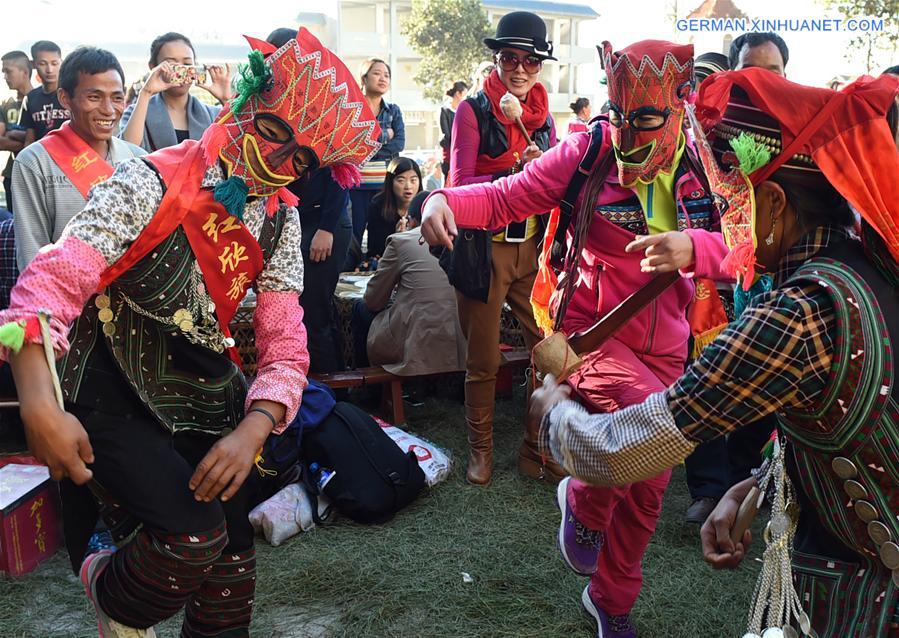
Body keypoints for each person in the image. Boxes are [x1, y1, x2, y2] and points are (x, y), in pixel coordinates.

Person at [0, 29, 379, 637]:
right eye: (278, 131)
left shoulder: (280, 220)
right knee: (190, 541)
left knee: (233, 570)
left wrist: (254, 427)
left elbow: (285, 341)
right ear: (247, 104)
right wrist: (39, 402)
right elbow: (50, 280)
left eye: (304, 159)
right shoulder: (150, 180)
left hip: (202, 391)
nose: (283, 162)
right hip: (109, 383)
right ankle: (106, 583)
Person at [529, 68, 899, 638]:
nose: (730, 228)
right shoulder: (872, 266)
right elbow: (851, 421)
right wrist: (754, 485)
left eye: (736, 207)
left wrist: (554, 414)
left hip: (867, 604)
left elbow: (624, 451)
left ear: (773, 203)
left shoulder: (796, 314)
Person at [422, 39, 730, 633]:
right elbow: (508, 195)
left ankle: (610, 599)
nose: (627, 134)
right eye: (618, 116)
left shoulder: (709, 165)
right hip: (589, 337)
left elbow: (750, 245)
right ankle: (587, 502)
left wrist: (698, 247)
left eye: (644, 119)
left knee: (653, 473)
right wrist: (442, 196)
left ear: (679, 105)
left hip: (667, 345)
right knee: (652, 428)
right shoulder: (588, 151)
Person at [443, 11, 559, 486]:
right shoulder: (472, 111)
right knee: (484, 359)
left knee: (550, 352)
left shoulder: (546, 117)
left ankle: (535, 448)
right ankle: (481, 450)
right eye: (509, 57)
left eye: (530, 60)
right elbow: (457, 184)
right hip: (483, 250)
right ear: (496, 59)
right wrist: (514, 174)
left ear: (539, 66)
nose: (519, 68)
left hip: (531, 250)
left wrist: (546, 167)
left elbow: (557, 189)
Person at [266, 27, 354, 375]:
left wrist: (327, 230)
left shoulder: (323, 98)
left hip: (324, 221)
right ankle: (295, 388)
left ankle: (331, 394)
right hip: (289, 218)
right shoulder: (271, 99)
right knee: (289, 309)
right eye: (274, 56)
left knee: (314, 311)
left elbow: (341, 169)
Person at [11, 48, 146, 272]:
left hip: (133, 301)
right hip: (68, 300)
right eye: (94, 97)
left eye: (117, 98)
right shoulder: (35, 162)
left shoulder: (138, 159)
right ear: (65, 98)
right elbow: (32, 255)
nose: (108, 110)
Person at [352, 190, 466, 375]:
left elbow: (374, 300)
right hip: (463, 336)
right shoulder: (461, 238)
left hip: (416, 338)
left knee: (361, 309)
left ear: (411, 220)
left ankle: (369, 387)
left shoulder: (401, 241)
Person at [119, 32, 230, 152]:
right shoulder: (136, 113)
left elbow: (241, 147)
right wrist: (146, 92)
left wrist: (226, 100)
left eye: (187, 64)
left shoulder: (214, 114)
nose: (181, 70)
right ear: (153, 67)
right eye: (172, 64)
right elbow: (126, 152)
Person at [349, 58, 405, 244]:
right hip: (356, 184)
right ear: (363, 79)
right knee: (354, 234)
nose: (383, 78)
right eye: (377, 73)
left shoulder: (393, 111)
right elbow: (350, 144)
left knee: (381, 237)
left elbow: (398, 144)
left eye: (387, 75)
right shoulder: (352, 109)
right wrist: (383, 136)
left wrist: (366, 146)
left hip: (384, 185)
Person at [365, 156, 422, 260]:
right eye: (401, 180)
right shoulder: (378, 205)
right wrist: (396, 238)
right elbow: (375, 249)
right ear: (390, 182)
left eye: (413, 180)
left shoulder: (425, 203)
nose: (408, 186)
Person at [19, 41, 69, 148]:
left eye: (54, 63)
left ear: (61, 62)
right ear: (33, 65)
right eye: (42, 63)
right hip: (42, 157)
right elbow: (29, 139)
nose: (49, 70)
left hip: (72, 158)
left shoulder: (71, 94)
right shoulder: (30, 98)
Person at [0, 50, 33, 212]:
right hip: (11, 175)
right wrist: (28, 139)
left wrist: (12, 134)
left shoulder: (39, 101)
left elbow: (44, 138)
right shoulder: (5, 104)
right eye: (3, 72)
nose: (5, 76)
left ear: (25, 72)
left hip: (35, 177)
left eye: (8, 71)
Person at [440, 80, 468, 179]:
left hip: (462, 152)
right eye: (464, 94)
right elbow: (446, 134)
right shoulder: (445, 110)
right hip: (449, 153)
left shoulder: (465, 111)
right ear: (458, 94)